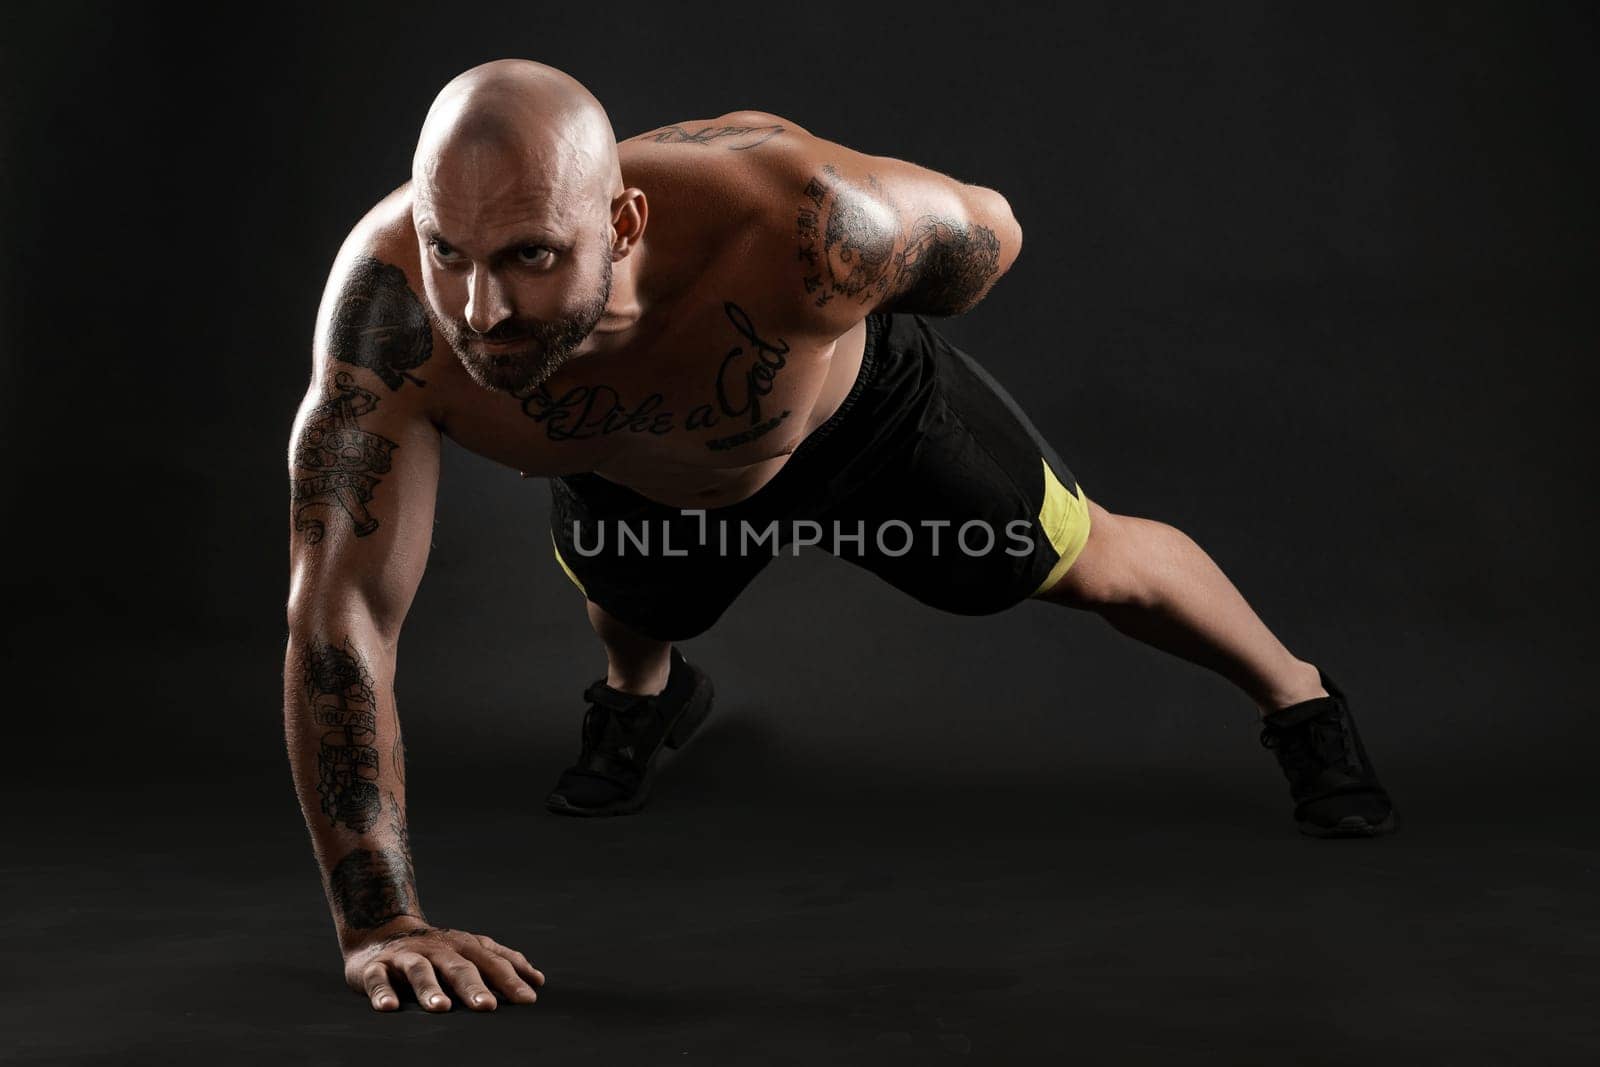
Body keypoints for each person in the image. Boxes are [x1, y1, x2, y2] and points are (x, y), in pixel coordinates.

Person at [284, 58, 1398, 1014]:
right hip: (629, 477)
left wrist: (866, 280)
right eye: (451, 252)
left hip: (865, 434)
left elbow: (989, 227)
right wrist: (378, 919)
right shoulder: (388, 315)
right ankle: (644, 699)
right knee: (632, 601)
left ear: (622, 221)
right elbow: (344, 614)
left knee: (1088, 562)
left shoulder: (799, 222)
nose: (481, 312)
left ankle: (1297, 696)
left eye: (529, 255)